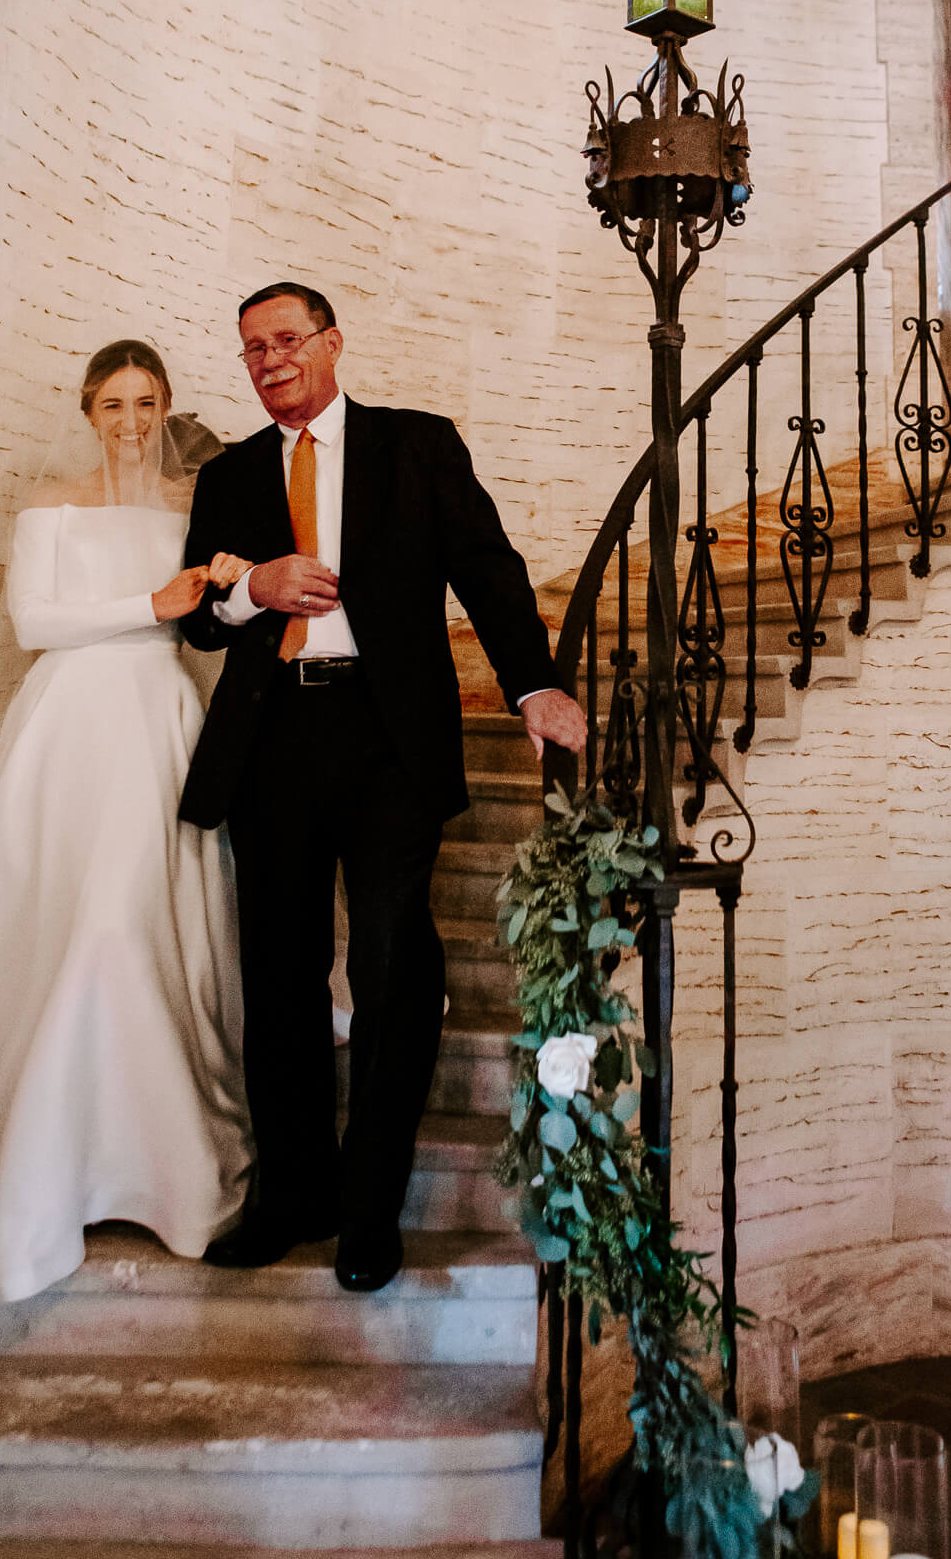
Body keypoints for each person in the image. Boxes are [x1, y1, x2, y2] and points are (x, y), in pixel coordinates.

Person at [180, 281, 586, 1291]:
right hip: (271, 738)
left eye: (286, 340)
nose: (270, 359)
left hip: (389, 737)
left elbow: (489, 569)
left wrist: (534, 682)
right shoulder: (230, 473)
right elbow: (197, 611)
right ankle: (291, 1194)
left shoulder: (418, 444)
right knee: (278, 970)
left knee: (394, 972)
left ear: (331, 342)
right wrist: (250, 589)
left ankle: (371, 1205)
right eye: (252, 349)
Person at [0, 341, 253, 1302]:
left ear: (167, 408)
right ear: (88, 409)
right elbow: (32, 621)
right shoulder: (50, 505)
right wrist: (148, 599)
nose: (132, 420)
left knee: (132, 916)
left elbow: (208, 625)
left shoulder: (196, 508)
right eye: (113, 403)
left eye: (147, 403)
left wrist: (217, 591)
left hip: (156, 719)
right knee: (80, 914)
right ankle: (43, 1143)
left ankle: (160, 1154)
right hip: (68, 726)